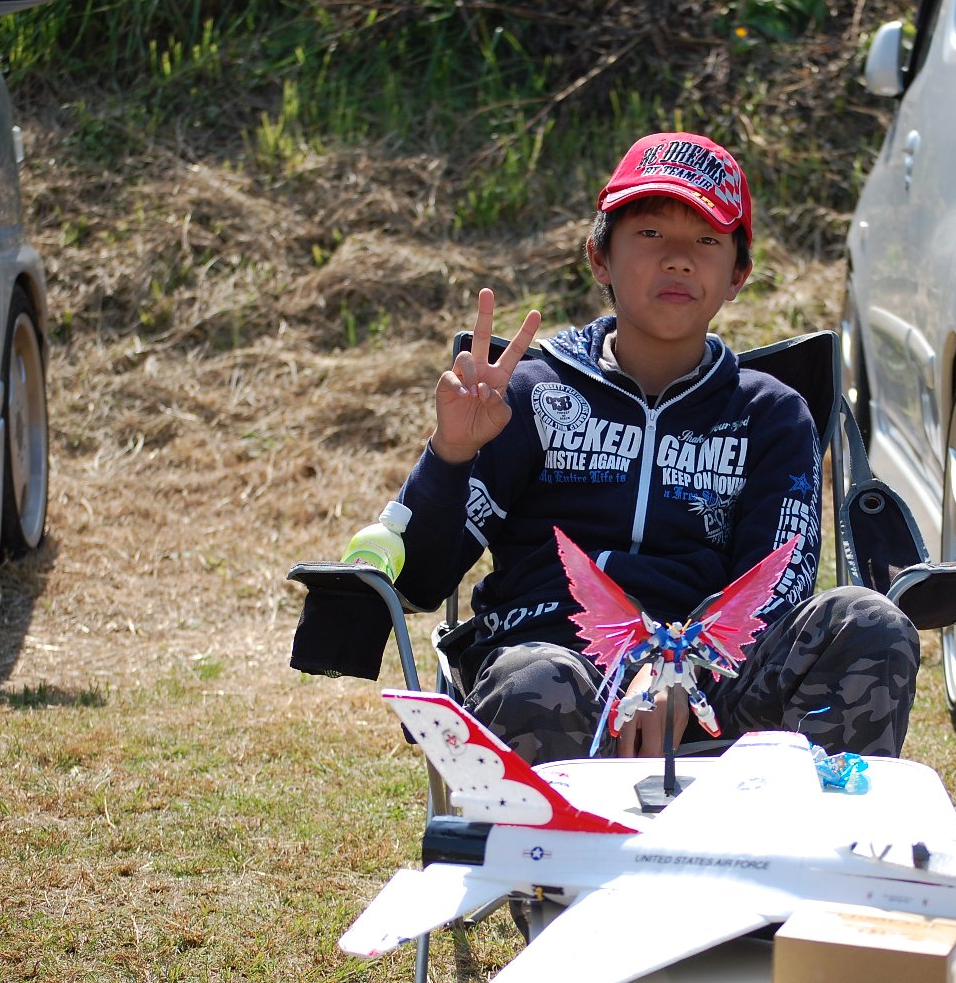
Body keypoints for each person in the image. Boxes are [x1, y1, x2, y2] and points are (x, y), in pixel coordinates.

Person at [393, 131, 920, 764]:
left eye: (706, 240)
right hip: (556, 668)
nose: (678, 259)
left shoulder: (772, 416)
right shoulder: (530, 397)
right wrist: (450, 454)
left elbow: (774, 590)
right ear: (599, 258)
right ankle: (552, 833)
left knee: (869, 621)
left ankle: (817, 827)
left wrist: (678, 670)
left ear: (738, 274)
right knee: (539, 680)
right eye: (649, 233)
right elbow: (418, 582)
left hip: (719, 687)